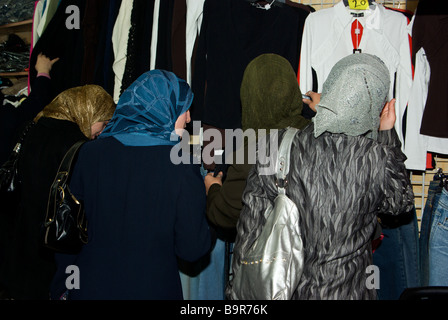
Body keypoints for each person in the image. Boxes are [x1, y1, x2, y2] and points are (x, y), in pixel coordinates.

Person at [227, 53, 415, 300]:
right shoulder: (376, 158)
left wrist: (235, 293)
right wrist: (387, 135)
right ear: (379, 105)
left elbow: (250, 230)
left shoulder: (277, 145)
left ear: (331, 89)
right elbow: (400, 203)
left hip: (289, 289)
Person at [50, 70, 212, 300]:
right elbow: (192, 248)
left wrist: (63, 286)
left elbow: (68, 228)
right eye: (183, 108)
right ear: (161, 108)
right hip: (151, 289)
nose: (188, 118)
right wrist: (209, 204)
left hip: (90, 287)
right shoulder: (181, 164)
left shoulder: (88, 153)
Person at [1, 84, 116, 300]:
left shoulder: (33, 125)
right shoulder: (77, 145)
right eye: (103, 122)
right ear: (87, 111)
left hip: (23, 239)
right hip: (55, 243)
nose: (102, 131)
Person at [204, 53, 310, 236]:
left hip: (268, 261)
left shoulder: (249, 155)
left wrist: (213, 188)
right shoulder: (320, 137)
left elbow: (224, 215)